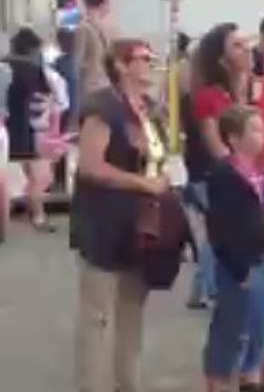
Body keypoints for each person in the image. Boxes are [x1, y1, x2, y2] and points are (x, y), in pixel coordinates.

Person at [190, 24, 264, 390]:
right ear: (222, 57)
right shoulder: (210, 98)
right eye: (237, 45)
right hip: (242, 193)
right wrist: (248, 183)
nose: (247, 49)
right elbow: (218, 147)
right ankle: (228, 376)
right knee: (235, 309)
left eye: (247, 43)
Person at [73, 39, 172, 392]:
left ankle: (126, 384)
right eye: (143, 59)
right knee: (98, 317)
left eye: (151, 57)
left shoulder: (151, 108)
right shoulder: (103, 106)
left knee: (132, 312)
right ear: (121, 63)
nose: (149, 64)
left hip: (142, 224)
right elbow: (89, 166)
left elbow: (159, 158)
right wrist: (141, 183)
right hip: (105, 220)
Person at [202, 105, 264, 392]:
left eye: (263, 129)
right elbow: (221, 227)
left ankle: (250, 377)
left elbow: (263, 220)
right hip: (238, 265)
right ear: (234, 138)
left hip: (259, 260)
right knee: (231, 326)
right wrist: (239, 266)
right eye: (255, 130)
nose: (263, 136)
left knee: (258, 327)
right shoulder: (225, 174)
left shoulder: (257, 173)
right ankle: (218, 379)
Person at [5, 27, 56, 231]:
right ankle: (38, 217)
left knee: (5, 177)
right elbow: (46, 96)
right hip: (26, 129)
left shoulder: (3, 66)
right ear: (33, 49)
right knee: (37, 176)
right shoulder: (34, 69)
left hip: (5, 128)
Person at [75, 0, 113, 97]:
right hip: (106, 83)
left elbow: (78, 62)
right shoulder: (106, 28)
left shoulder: (83, 28)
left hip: (90, 86)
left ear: (85, 3)